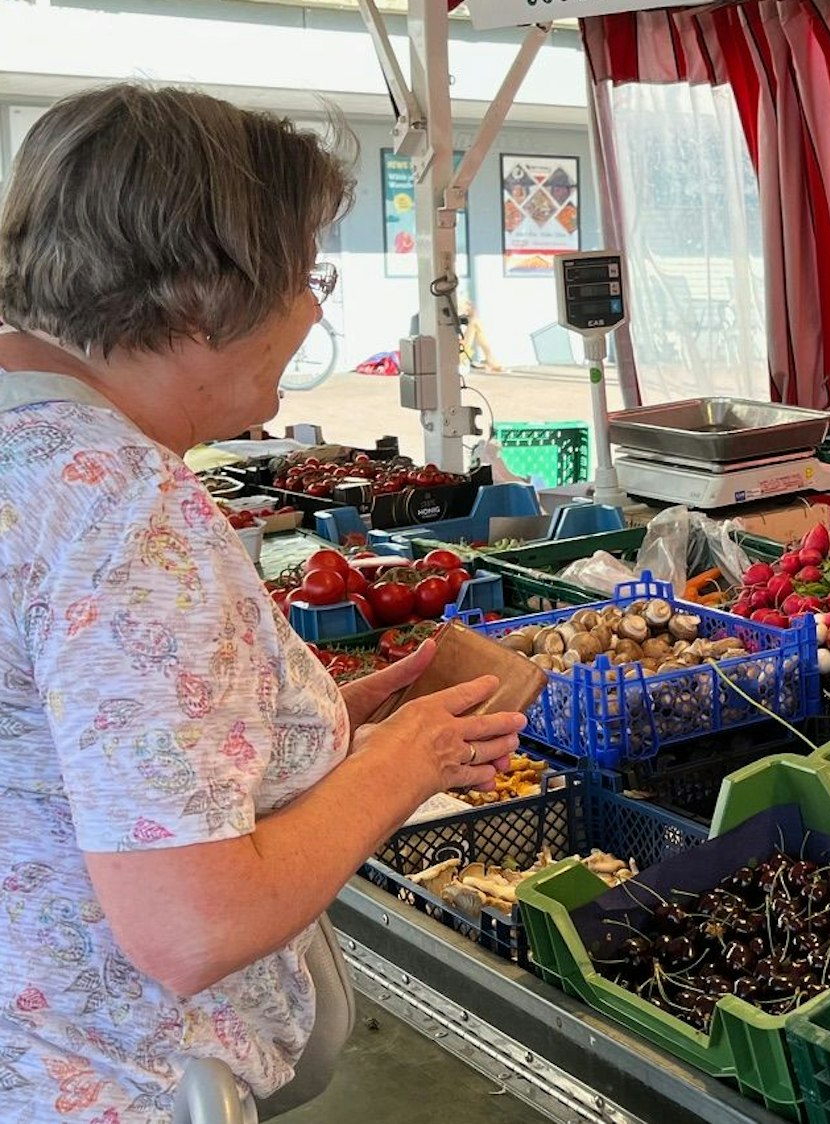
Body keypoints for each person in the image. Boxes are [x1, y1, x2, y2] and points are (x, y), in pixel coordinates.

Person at [0, 85, 528, 1122]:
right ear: (202, 296)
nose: (314, 310)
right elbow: (193, 927)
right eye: (304, 276)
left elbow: (74, 748)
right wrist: (402, 759)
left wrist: (315, 724)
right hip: (116, 1082)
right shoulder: (120, 506)